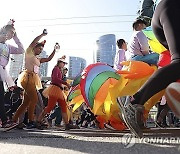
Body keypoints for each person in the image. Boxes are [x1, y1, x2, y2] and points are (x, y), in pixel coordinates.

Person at [117, 0, 180, 137]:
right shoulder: (139, 35)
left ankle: (134, 103)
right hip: (172, 9)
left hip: (165, 12)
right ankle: (134, 102)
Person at [13, 29, 58, 129]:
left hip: (33, 80)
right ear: (34, 48)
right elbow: (33, 42)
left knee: (25, 103)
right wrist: (42, 35)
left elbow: (48, 59)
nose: (40, 51)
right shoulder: (29, 53)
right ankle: (31, 121)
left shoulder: (38, 59)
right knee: (34, 99)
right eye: (39, 49)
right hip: (27, 78)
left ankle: (15, 121)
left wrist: (55, 50)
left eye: (41, 50)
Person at [38, 56, 79, 130]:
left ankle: (67, 124)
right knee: (50, 106)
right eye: (63, 63)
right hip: (54, 89)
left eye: (64, 63)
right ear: (59, 62)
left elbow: (58, 80)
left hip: (59, 90)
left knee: (63, 106)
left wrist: (64, 86)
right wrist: (65, 83)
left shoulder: (59, 70)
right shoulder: (56, 69)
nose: (64, 65)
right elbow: (55, 79)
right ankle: (38, 121)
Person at [0, 19, 25, 130]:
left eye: (13, 34)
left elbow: (21, 50)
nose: (10, 35)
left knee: (1, 95)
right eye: (10, 32)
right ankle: (5, 120)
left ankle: (4, 121)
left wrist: (16, 37)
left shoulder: (8, 47)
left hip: (2, 72)